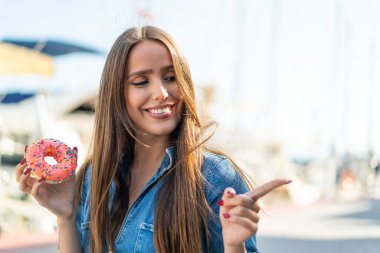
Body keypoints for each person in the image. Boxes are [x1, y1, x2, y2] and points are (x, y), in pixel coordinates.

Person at [15, 26, 291, 253]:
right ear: (118, 95)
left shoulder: (214, 178)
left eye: (170, 77)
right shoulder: (91, 177)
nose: (161, 92)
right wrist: (65, 217)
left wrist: (234, 246)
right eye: (140, 81)